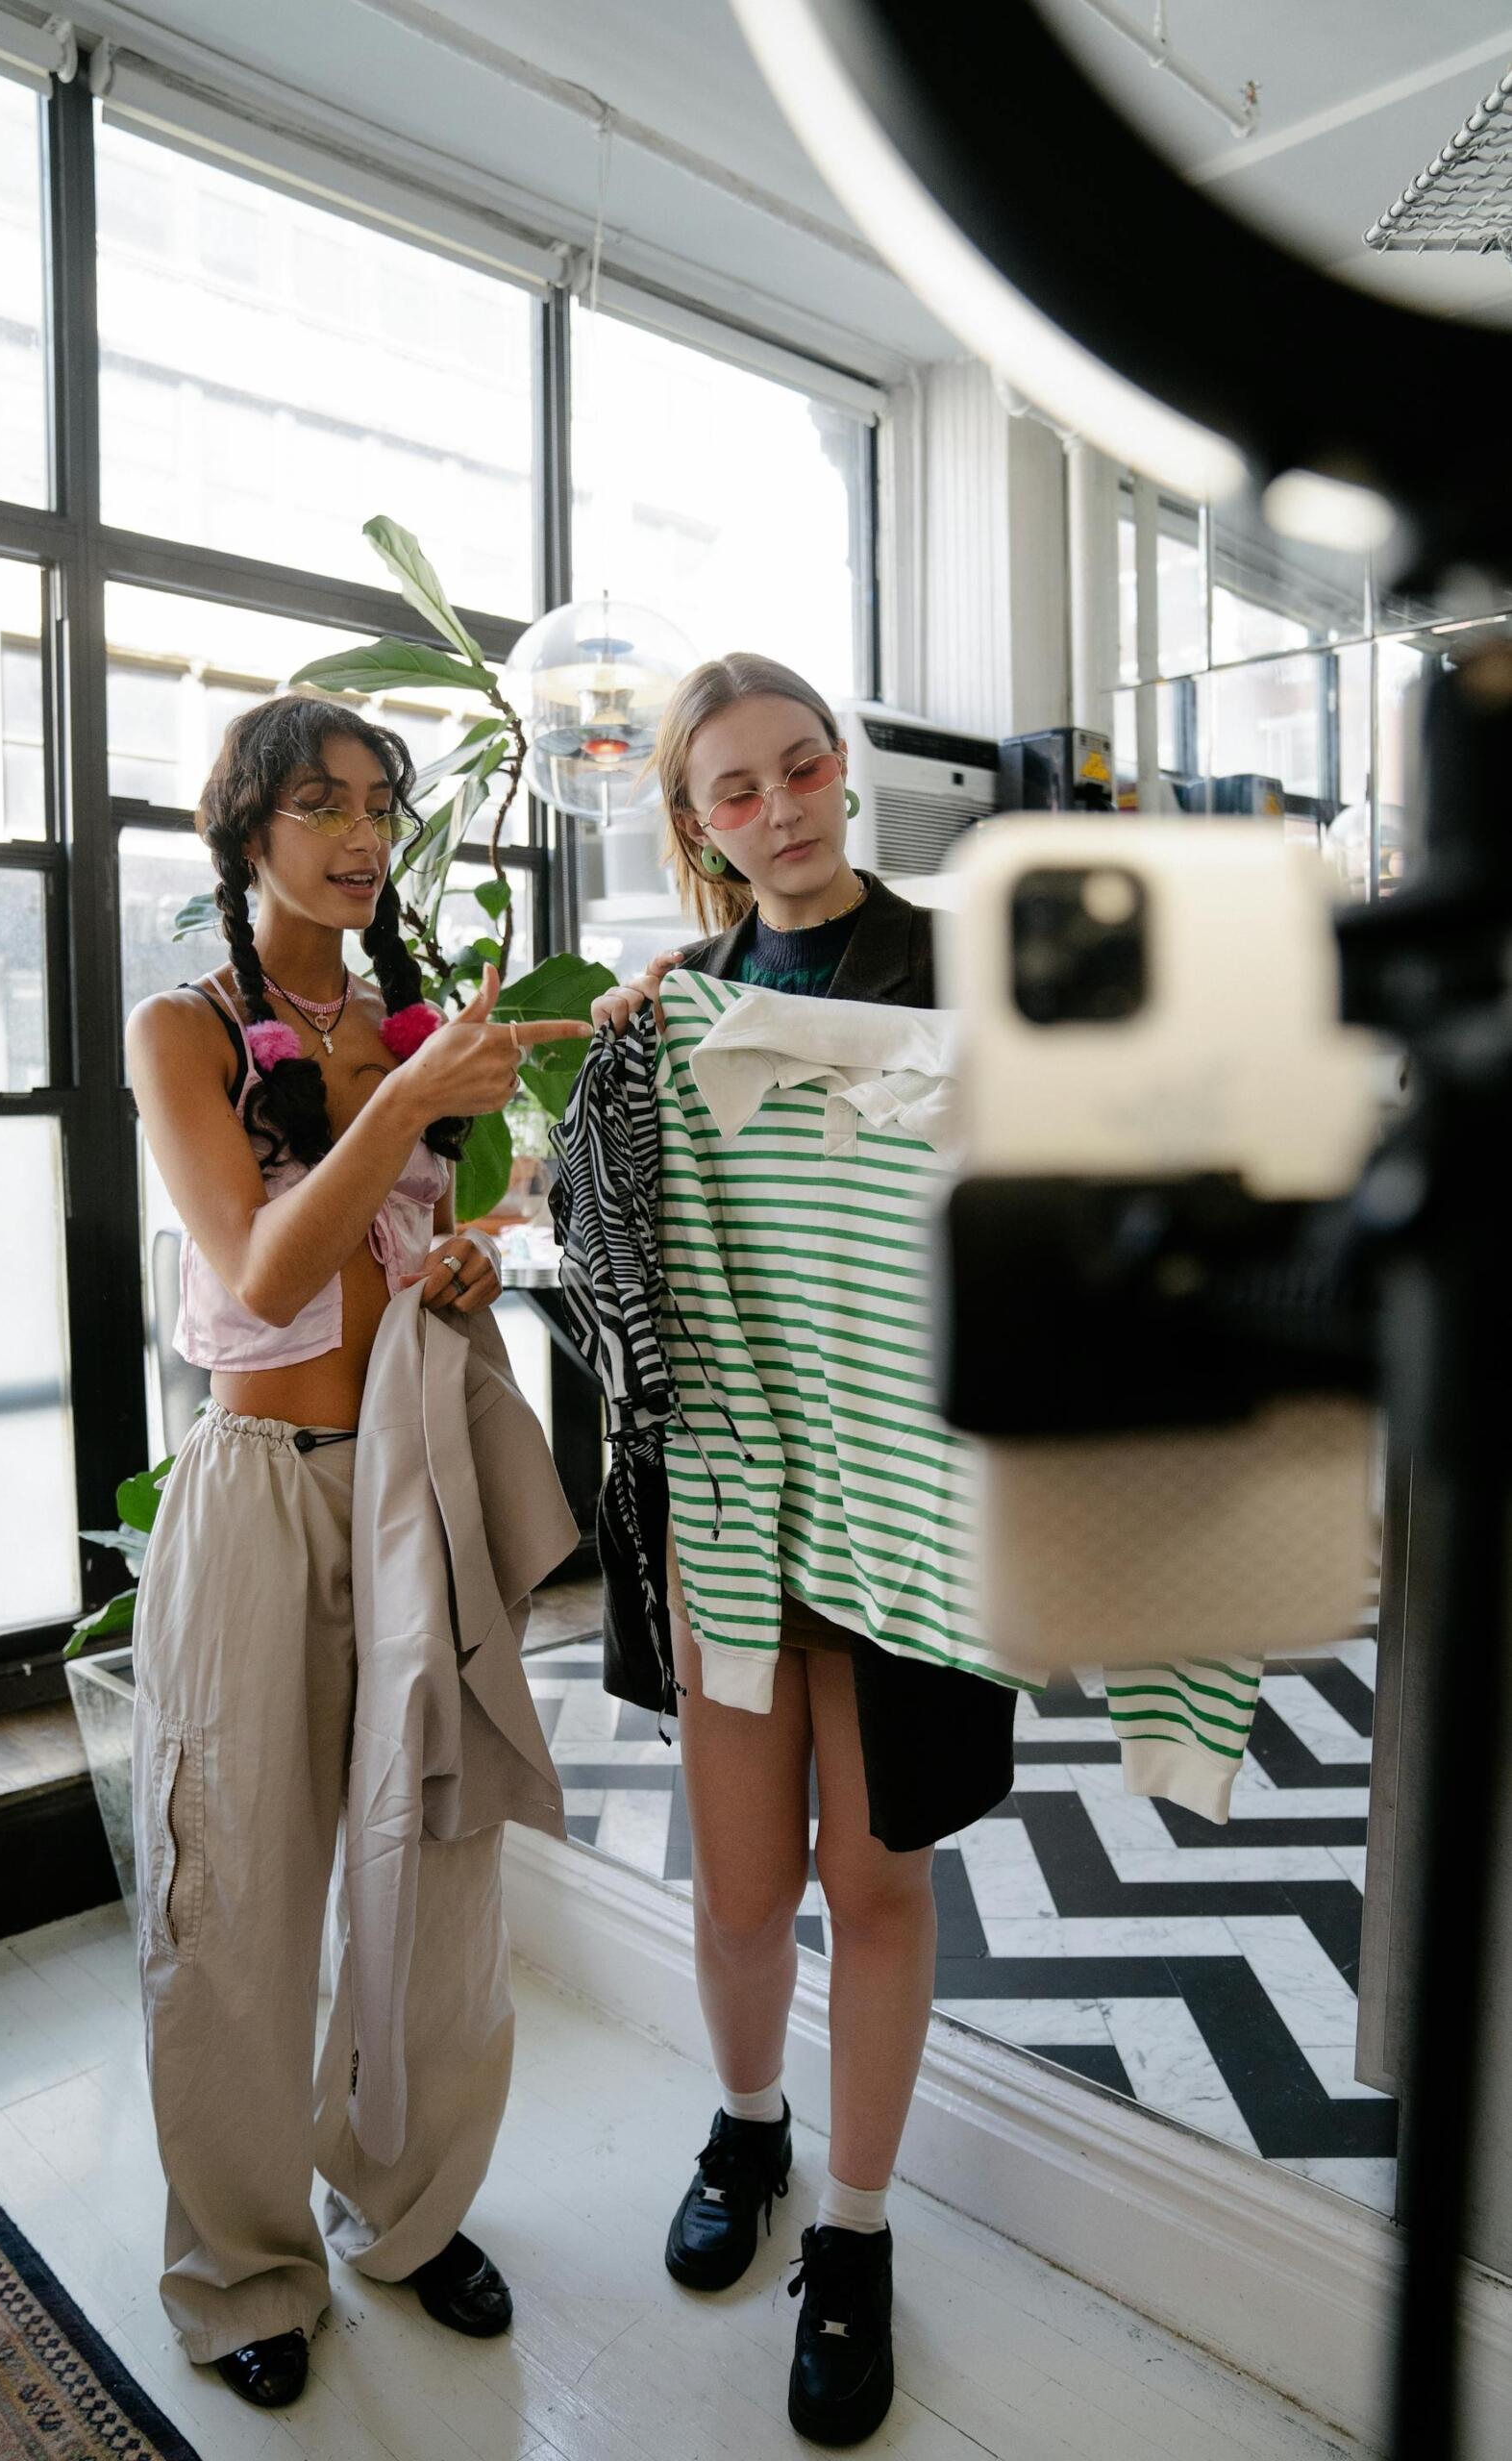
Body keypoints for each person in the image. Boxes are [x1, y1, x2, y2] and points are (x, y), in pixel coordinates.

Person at [126, 694, 587, 2409]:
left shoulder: (412, 1028)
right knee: (236, 1884)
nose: (358, 833)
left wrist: (461, 1256)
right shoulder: (182, 1027)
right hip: (258, 1484)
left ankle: (408, 2204)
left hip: (412, 1466)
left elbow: (414, 1239)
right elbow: (257, 1278)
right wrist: (408, 1101)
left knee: (438, 1853)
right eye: (318, 803)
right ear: (244, 828)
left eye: (379, 805)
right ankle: (245, 2264)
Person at [588, 653, 1016, 2449]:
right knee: (745, 1883)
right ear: (697, 825)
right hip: (737, 1501)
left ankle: (852, 2229)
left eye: (800, 767)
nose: (780, 807)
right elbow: (603, 1250)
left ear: (843, 773)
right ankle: (748, 2123)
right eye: (737, 791)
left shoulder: (971, 976)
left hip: (915, 1508)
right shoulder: (672, 1008)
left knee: (882, 1877)